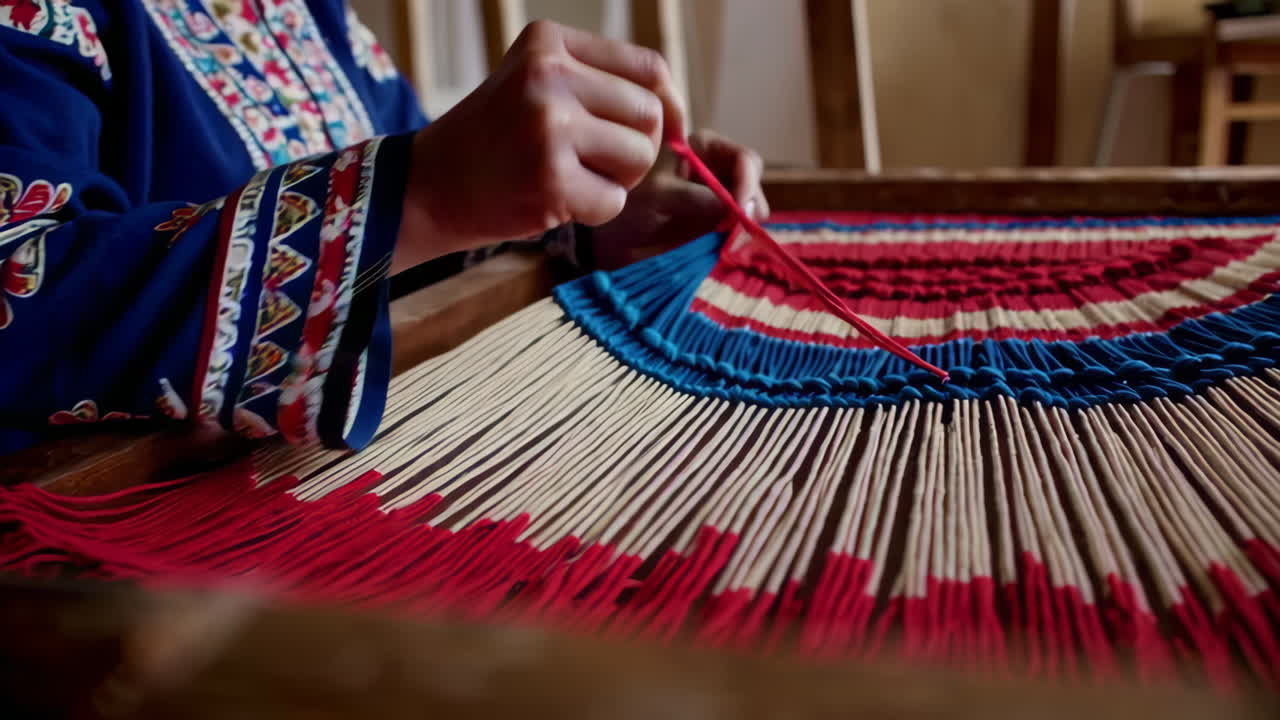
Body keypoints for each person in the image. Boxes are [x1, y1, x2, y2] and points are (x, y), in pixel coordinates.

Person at [0, 1, 768, 454]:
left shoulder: (303, 15)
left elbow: (421, 220)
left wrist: (582, 219)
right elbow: (21, 293)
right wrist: (423, 193)